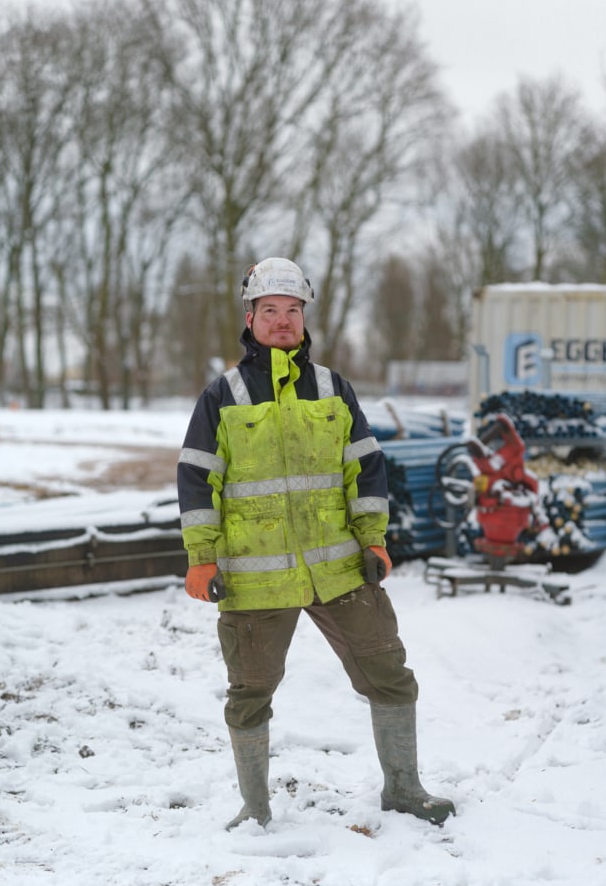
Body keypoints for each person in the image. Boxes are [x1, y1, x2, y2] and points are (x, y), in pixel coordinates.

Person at [177, 257, 455, 830]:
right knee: (249, 693)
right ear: (250, 318)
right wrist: (202, 557)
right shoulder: (222, 395)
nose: (283, 321)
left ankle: (404, 789)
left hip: (341, 569)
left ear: (305, 318)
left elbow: (366, 469)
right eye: (271, 310)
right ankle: (254, 808)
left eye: (293, 311)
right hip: (255, 577)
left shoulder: (333, 388)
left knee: (390, 676)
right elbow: (197, 477)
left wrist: (373, 541)